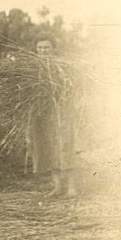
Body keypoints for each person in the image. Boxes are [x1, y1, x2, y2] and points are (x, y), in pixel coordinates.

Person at [27, 36, 80, 197]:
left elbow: (70, 87)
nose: (44, 51)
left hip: (61, 111)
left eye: (47, 47)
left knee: (65, 146)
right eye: (40, 48)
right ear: (36, 50)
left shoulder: (61, 67)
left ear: (53, 49)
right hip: (42, 113)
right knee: (47, 147)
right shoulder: (32, 70)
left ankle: (71, 188)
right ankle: (57, 186)